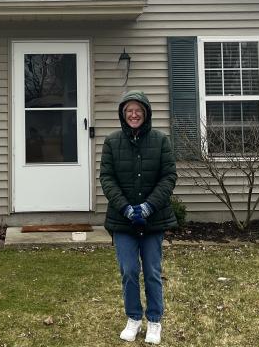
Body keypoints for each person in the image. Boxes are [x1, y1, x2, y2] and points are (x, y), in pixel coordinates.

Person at [99, 90, 178, 344]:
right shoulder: (112, 142)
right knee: (129, 271)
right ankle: (134, 317)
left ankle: (154, 320)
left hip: (153, 219)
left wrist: (147, 208)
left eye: (138, 111)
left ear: (146, 114)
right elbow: (107, 179)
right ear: (123, 115)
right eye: (129, 111)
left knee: (152, 271)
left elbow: (168, 178)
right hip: (122, 221)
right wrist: (126, 208)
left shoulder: (161, 141)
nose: (134, 115)